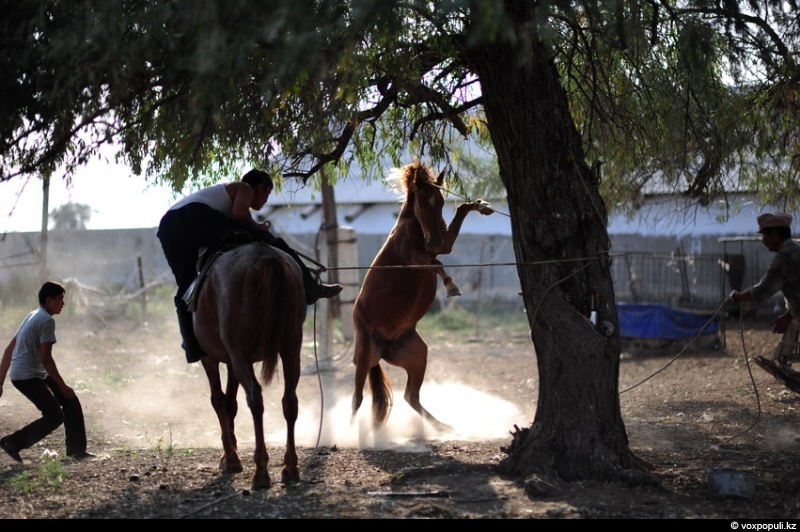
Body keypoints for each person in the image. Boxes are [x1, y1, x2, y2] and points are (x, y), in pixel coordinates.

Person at [157, 168, 342, 363]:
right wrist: (259, 227)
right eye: (267, 194)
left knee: (186, 288)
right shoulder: (244, 187)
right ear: (260, 187)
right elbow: (240, 213)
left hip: (169, 228)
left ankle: (192, 345)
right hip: (193, 216)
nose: (265, 201)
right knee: (272, 240)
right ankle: (310, 287)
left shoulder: (218, 198)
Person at [0, 281, 94, 463]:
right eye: (60, 299)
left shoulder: (33, 315)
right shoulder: (45, 320)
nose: (63, 304)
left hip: (30, 373)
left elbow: (8, 350)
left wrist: (1, 382)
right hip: (27, 376)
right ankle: (12, 442)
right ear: (49, 300)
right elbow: (46, 358)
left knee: (70, 401)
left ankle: (77, 451)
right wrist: (62, 385)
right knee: (55, 415)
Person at [729, 212, 800, 363]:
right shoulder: (797, 250)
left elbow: (763, 291)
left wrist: (738, 297)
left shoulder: (784, 258)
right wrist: (789, 315)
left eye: (764, 235)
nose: (763, 241)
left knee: (784, 360)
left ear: (774, 234)